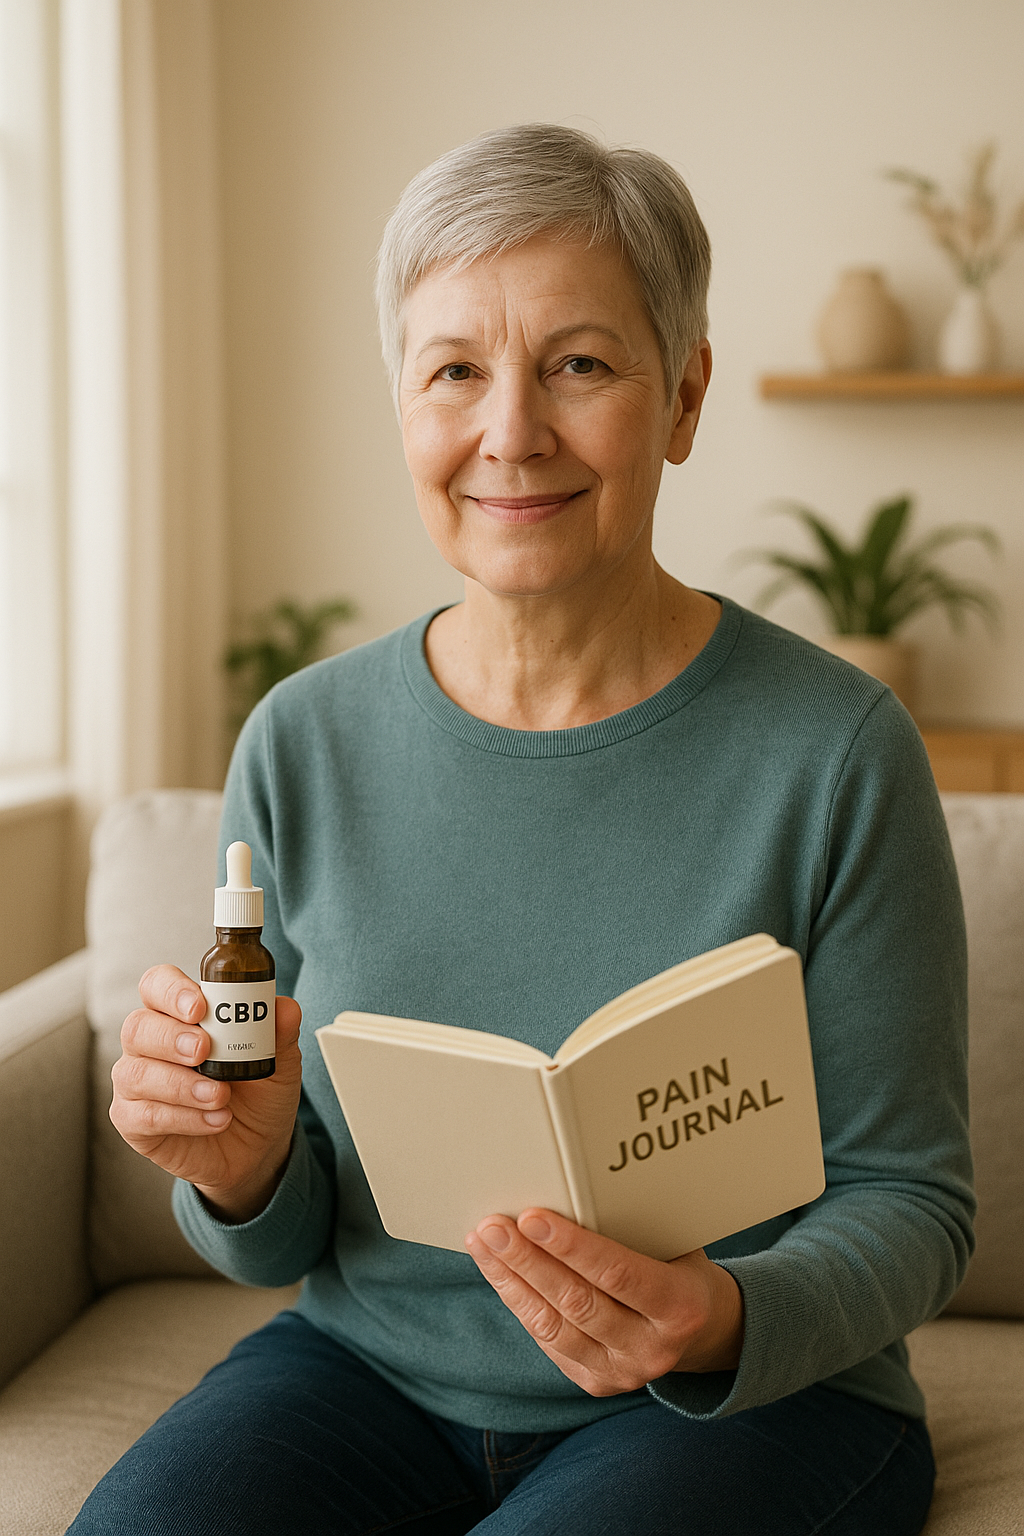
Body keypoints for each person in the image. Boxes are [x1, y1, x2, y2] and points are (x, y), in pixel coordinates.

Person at [71, 123, 973, 1536]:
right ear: (404, 406)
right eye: (455, 372)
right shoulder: (300, 745)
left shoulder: (841, 753)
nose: (511, 433)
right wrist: (240, 1170)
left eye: (581, 365)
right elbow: (286, 1230)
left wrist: (720, 1314)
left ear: (682, 398)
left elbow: (912, 1203)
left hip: (750, 1401)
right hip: (368, 1377)